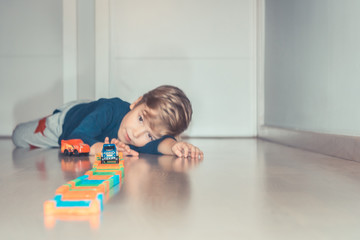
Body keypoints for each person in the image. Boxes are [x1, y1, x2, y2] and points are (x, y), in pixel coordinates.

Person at [12, 85, 203, 159]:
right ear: (136, 102)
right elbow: (72, 139)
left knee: (93, 121)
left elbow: (157, 144)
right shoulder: (110, 110)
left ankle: (89, 110)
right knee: (19, 137)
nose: (136, 134)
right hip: (67, 122)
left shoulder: (142, 136)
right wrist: (99, 148)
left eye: (149, 134)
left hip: (93, 115)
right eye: (140, 119)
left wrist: (175, 147)